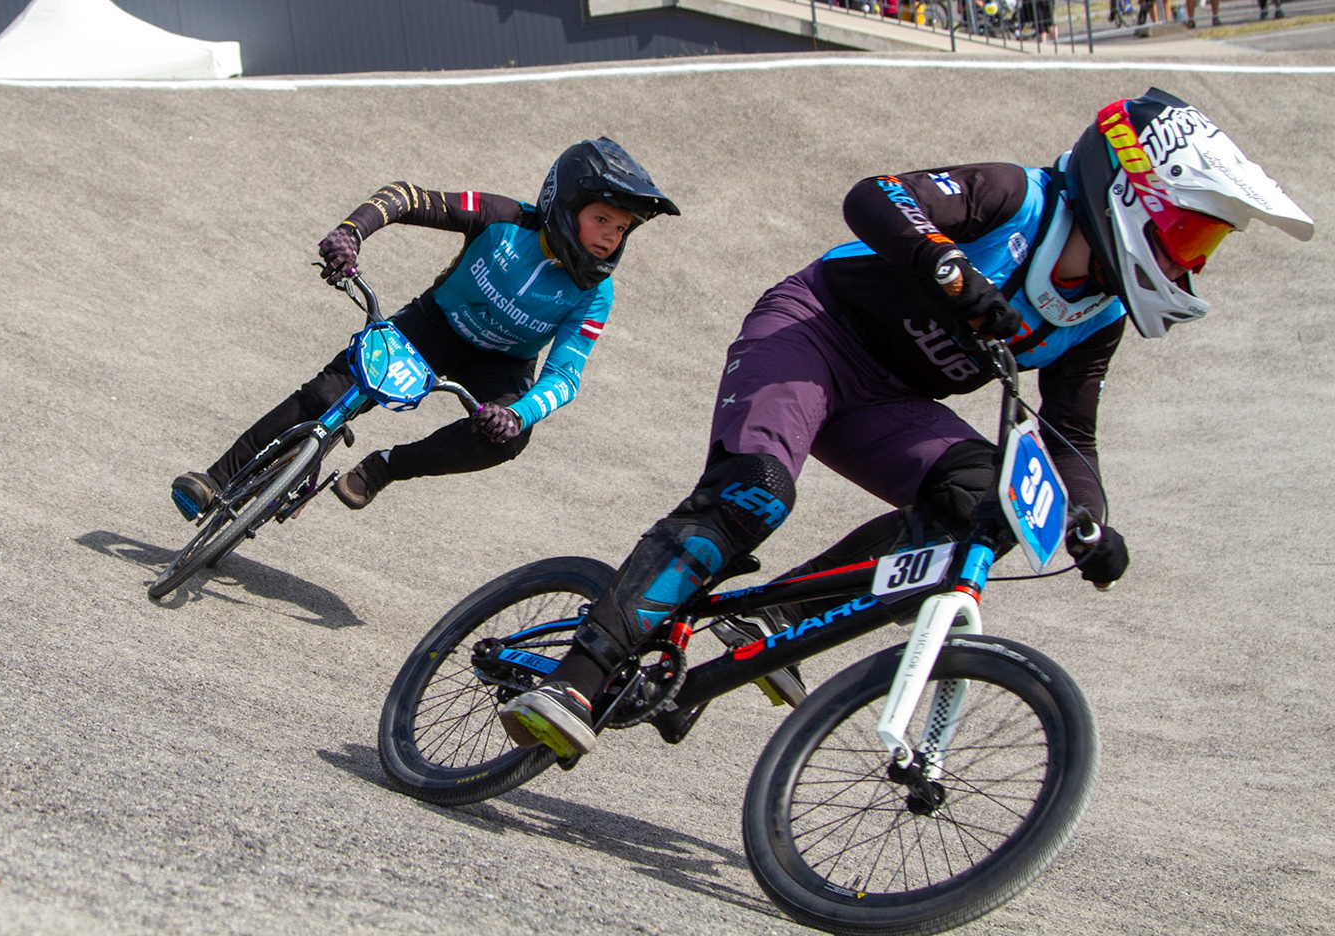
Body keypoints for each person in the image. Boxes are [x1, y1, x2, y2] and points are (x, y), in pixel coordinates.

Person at [497, 90, 1313, 761]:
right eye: (1189, 234)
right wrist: (946, 265)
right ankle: (576, 678)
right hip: (812, 333)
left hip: (886, 401)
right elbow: (873, 196)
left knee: (987, 507)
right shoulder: (1017, 197)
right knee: (752, 494)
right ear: (1129, 197)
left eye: (1203, 245)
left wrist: (1089, 520)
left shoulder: (1096, 316)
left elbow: (1073, 435)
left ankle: (775, 623)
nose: (1189, 261)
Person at [170, 140, 679, 520]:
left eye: (621, 228)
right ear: (565, 206)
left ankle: (385, 467)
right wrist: (351, 232)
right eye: (602, 219)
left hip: (501, 363)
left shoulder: (596, 293)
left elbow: (565, 376)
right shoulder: (503, 219)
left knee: (508, 440)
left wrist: (517, 413)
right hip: (433, 326)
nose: (611, 237)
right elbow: (407, 197)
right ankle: (215, 479)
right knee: (327, 393)